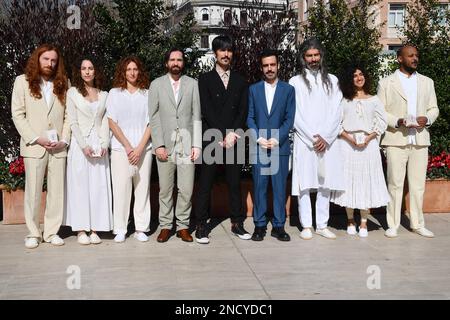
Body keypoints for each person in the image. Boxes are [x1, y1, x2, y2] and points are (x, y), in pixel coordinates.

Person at [11, 44, 70, 248]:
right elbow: (18, 115)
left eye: (53, 60)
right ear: (38, 59)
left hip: (58, 147)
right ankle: (33, 233)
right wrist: (36, 138)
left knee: (57, 191)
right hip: (35, 146)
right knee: (33, 191)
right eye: (46, 59)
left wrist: (64, 139)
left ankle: (52, 231)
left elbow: (68, 116)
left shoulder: (64, 83)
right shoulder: (22, 81)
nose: (49, 63)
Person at [378, 44, 439, 238]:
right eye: (410, 55)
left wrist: (427, 119)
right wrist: (397, 121)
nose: (415, 58)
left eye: (417, 55)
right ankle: (393, 224)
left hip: (420, 140)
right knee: (394, 184)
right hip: (396, 140)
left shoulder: (427, 82)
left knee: (418, 185)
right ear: (399, 58)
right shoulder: (386, 83)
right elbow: (380, 112)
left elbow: (434, 108)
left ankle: (417, 224)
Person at [194, 35, 251, 244]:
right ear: (215, 53)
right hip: (212, 139)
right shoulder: (205, 79)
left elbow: (243, 111)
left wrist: (233, 134)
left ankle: (237, 223)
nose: (226, 54)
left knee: (234, 183)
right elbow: (206, 109)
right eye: (222, 50)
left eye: (229, 50)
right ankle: (201, 225)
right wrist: (221, 134)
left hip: (234, 139)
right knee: (205, 183)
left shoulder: (240, 80)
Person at [289, 38, 344, 240]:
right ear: (303, 58)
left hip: (327, 142)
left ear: (321, 56)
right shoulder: (295, 82)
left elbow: (337, 111)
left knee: (324, 183)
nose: (313, 59)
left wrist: (326, 138)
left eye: (316, 55)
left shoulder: (333, 80)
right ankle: (307, 225)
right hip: (306, 142)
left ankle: (322, 224)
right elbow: (294, 113)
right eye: (309, 56)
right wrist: (313, 138)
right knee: (304, 183)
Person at [148, 48, 202, 243]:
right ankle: (165, 226)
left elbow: (197, 115)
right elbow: (153, 116)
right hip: (165, 145)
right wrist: (158, 144)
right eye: (172, 59)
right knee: (165, 188)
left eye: (179, 60)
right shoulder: (156, 85)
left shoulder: (192, 84)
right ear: (166, 63)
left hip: (187, 145)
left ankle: (183, 226)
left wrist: (197, 145)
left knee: (186, 189)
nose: (176, 63)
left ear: (183, 63)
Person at [330, 64, 389, 237]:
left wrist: (369, 138)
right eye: (355, 75)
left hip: (368, 147)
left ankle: (363, 221)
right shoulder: (344, 100)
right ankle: (350, 219)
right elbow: (337, 124)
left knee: (366, 183)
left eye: (361, 74)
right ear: (350, 79)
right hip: (348, 146)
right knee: (349, 182)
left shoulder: (374, 99)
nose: (359, 78)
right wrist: (350, 138)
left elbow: (382, 122)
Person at [63, 57, 113, 245]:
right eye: (84, 68)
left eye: (90, 68)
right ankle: (81, 229)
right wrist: (84, 146)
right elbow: (72, 122)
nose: (87, 71)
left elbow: (106, 121)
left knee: (97, 186)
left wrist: (104, 144)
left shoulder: (105, 94)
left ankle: (95, 228)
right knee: (80, 186)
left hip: (99, 145)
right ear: (80, 71)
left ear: (95, 71)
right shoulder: (73, 93)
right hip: (80, 145)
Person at [247, 49, 295, 241]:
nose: (269, 68)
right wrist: (258, 138)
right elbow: (249, 117)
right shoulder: (253, 90)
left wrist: (277, 139)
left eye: (272, 65)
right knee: (259, 186)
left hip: (279, 148)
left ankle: (278, 226)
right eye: (266, 65)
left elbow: (289, 118)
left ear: (278, 66)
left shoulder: (288, 90)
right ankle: (259, 226)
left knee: (279, 188)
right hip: (259, 147)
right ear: (261, 67)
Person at [106, 56, 152, 243]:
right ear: (123, 72)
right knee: (121, 189)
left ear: (139, 71)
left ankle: (141, 228)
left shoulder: (147, 94)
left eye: (135, 69)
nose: (132, 72)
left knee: (142, 189)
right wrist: (127, 146)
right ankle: (120, 228)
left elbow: (151, 122)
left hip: (144, 149)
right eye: (128, 69)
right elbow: (111, 122)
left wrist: (139, 148)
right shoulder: (114, 93)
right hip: (120, 150)